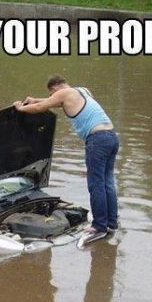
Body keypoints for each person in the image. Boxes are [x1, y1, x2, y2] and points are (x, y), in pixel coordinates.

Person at [13, 75, 119, 247]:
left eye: (52, 93)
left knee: (96, 184)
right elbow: (54, 101)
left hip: (97, 140)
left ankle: (99, 227)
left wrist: (20, 108)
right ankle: (111, 223)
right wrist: (35, 99)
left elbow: (41, 107)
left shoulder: (63, 94)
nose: (53, 97)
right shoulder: (82, 90)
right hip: (111, 137)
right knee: (107, 182)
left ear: (55, 89)